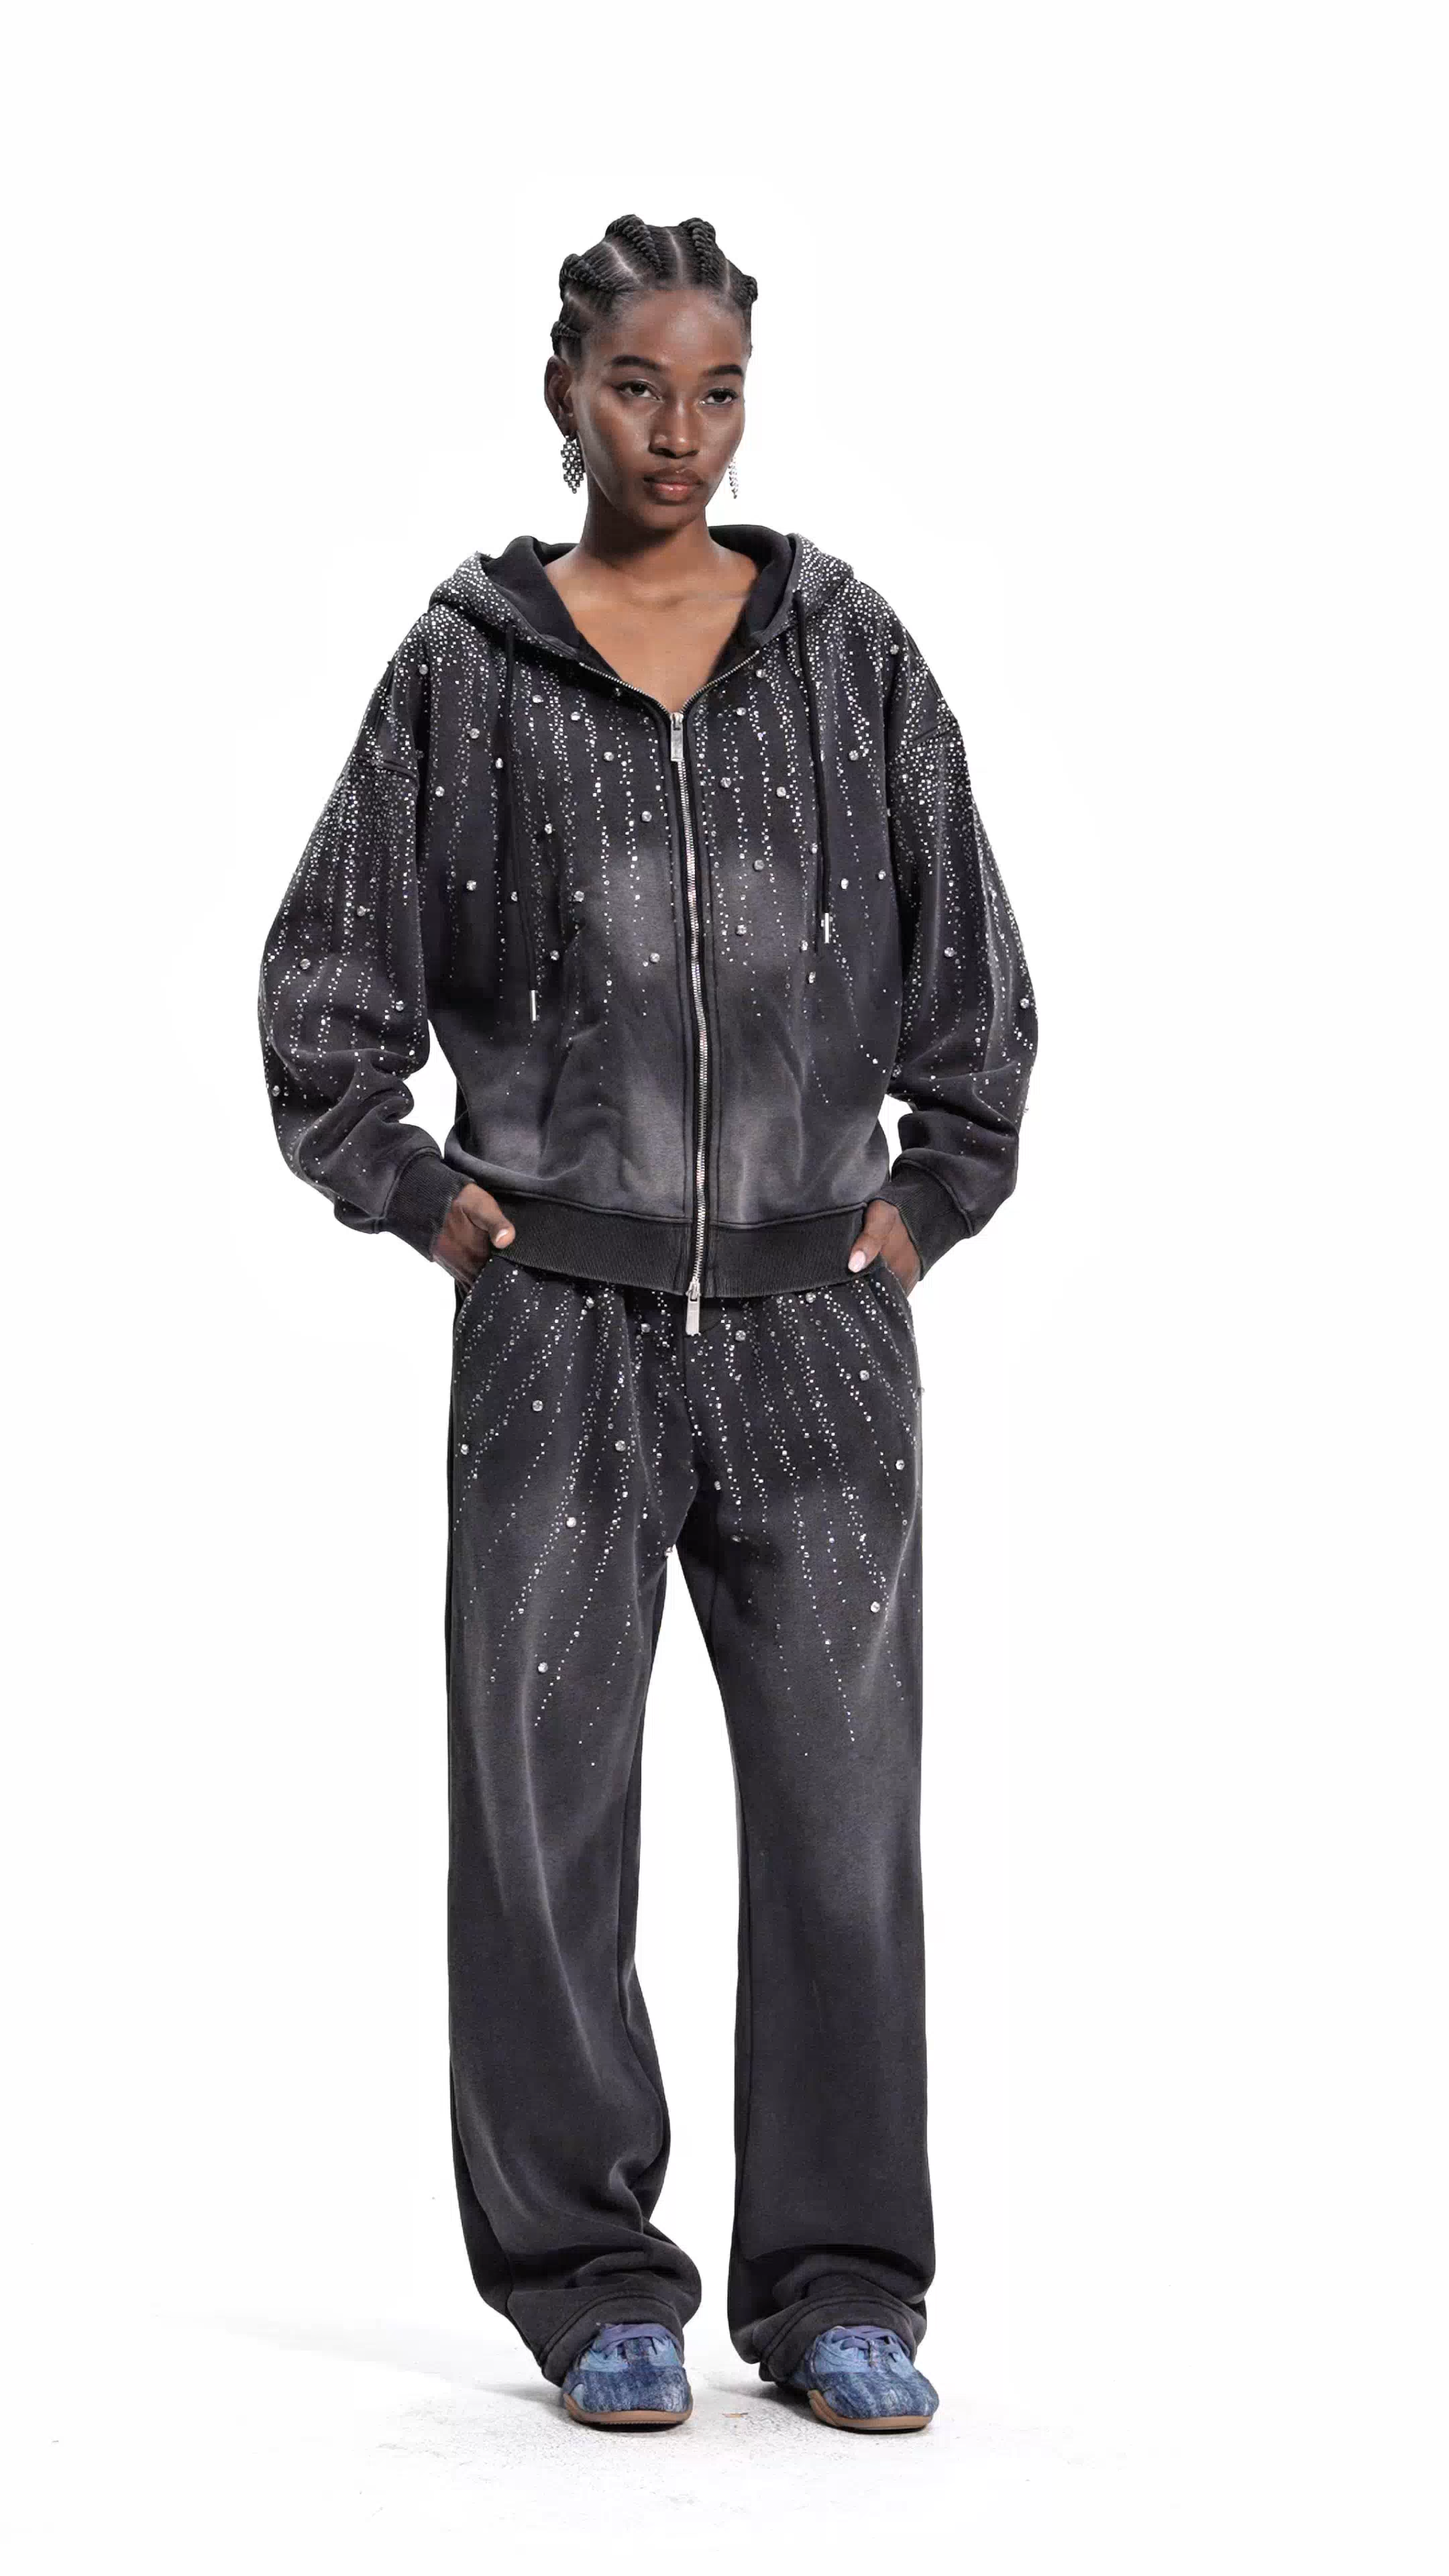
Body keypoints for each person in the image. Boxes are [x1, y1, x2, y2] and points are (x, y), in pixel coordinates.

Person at [258, 213, 1037, 2435]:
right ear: (564, 392)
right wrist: (428, 1200)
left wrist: (923, 1207)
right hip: (557, 1336)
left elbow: (974, 981)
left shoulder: (848, 657)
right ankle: (591, 2275)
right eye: (635, 388)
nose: (677, 434)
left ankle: (840, 2285)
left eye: (714, 394)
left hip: (817, 1344)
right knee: (545, 1827)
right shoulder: (470, 666)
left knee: (841, 1824)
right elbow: (323, 991)